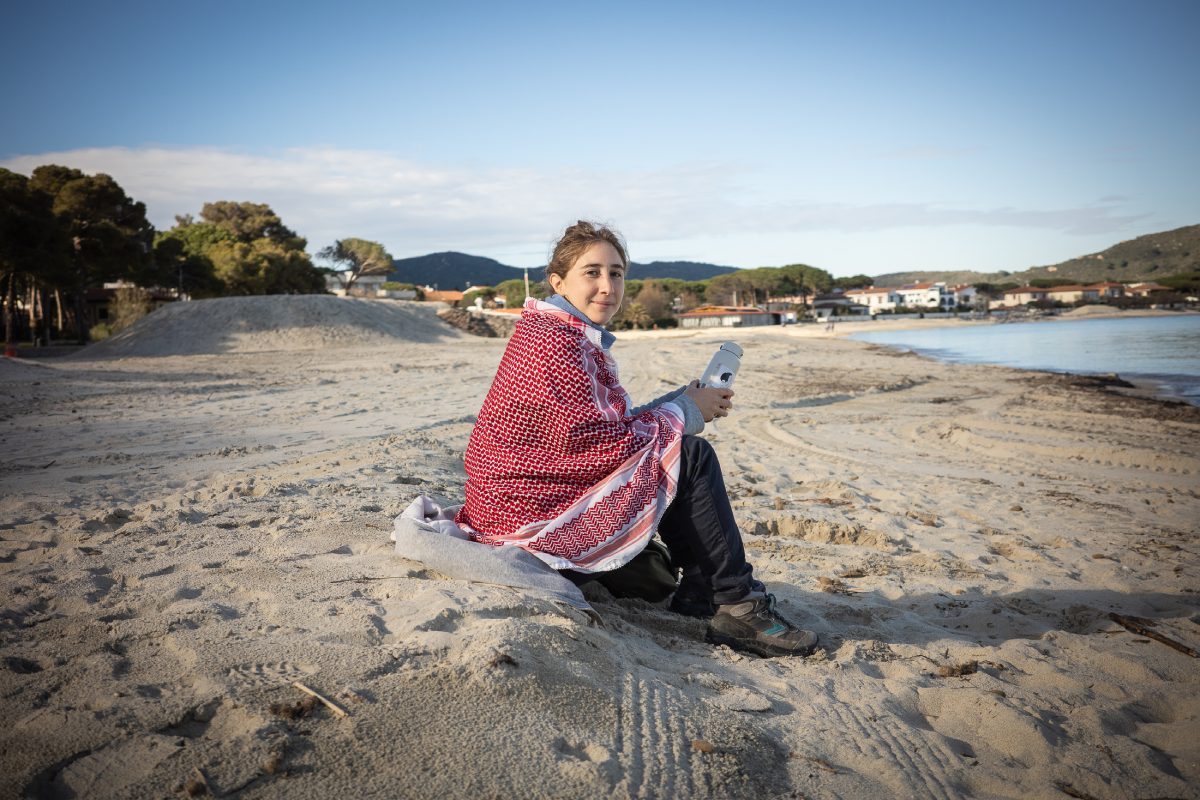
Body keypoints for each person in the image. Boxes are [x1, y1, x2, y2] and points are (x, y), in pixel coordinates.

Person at [456, 221, 818, 658]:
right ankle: (737, 605)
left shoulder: (555, 331)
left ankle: (704, 593)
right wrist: (686, 413)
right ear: (558, 281)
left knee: (675, 449)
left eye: (617, 272)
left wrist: (682, 401)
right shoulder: (555, 344)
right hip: (529, 524)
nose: (607, 286)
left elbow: (605, 431)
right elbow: (603, 444)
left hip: (515, 508)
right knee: (692, 456)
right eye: (591, 272)